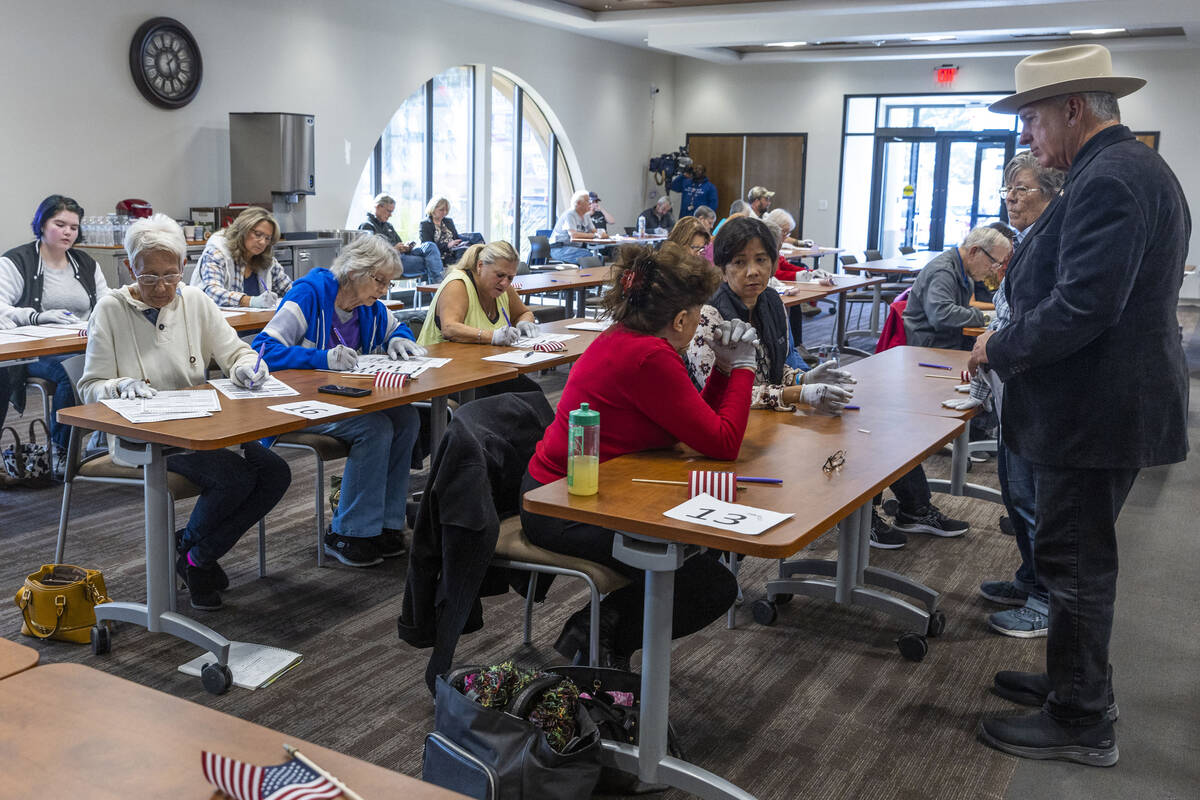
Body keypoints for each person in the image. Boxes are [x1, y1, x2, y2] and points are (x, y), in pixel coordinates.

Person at [971, 44, 1189, 766]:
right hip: (1098, 406)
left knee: (1073, 565)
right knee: (1074, 560)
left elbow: (1083, 306)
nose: (1027, 137)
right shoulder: (1119, 170)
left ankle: (1082, 719)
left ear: (1073, 109)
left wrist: (998, 347)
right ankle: (1074, 684)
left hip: (1094, 412)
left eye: (1032, 119)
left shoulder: (1112, 180)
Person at [520, 242, 750, 669]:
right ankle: (596, 634)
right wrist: (742, 368)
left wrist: (721, 370)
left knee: (702, 543)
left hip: (576, 491)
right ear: (680, 320)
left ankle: (601, 633)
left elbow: (699, 425)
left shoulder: (630, 338)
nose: (700, 324)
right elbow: (723, 443)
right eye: (698, 316)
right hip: (563, 509)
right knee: (709, 583)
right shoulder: (649, 357)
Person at [79, 215, 290, 611]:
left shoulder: (194, 300)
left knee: (275, 471)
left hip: (200, 428)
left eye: (170, 275)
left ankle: (193, 553)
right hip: (143, 436)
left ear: (183, 268)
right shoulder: (110, 309)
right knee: (234, 477)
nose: (161, 288)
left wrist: (245, 366)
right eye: (149, 278)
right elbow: (89, 388)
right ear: (130, 269)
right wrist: (117, 386)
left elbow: (235, 351)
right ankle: (197, 559)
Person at [254, 234, 426, 568]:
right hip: (297, 402)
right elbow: (263, 350)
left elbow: (398, 330)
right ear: (354, 271)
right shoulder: (309, 294)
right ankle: (348, 532)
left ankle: (387, 524)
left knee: (407, 420)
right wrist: (321, 358)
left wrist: (398, 341)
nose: (384, 290)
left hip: (341, 401)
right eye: (380, 281)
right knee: (374, 428)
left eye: (389, 283)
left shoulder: (369, 307)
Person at [950, 153, 1065, 639]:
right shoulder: (1027, 241)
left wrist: (992, 342)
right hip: (1010, 386)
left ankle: (1044, 600)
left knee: (1036, 500)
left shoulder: (1055, 241)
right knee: (1016, 493)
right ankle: (1029, 577)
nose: (1011, 198)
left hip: (1038, 390)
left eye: (1022, 188)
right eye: (1007, 189)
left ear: (1051, 191)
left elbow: (1039, 320)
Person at [686, 216, 853, 415]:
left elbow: (767, 369)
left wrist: (801, 379)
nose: (753, 271)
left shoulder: (772, 301)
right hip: (720, 424)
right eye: (739, 262)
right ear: (722, 270)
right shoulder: (706, 315)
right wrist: (796, 394)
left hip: (767, 420)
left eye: (761, 260)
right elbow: (724, 394)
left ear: (773, 264)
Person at [0, 194, 108, 462]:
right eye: (60, 224)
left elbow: (107, 303)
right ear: (41, 224)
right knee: (71, 371)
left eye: (73, 227)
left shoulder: (85, 262)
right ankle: (63, 451)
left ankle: (107, 440)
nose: (68, 232)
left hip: (83, 343)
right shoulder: (17, 261)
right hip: (38, 351)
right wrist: (38, 317)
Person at [902, 225, 1011, 350]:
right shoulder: (942, 272)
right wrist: (985, 317)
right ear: (974, 251)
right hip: (931, 348)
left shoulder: (964, 271)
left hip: (950, 341)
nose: (994, 270)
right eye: (993, 262)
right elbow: (941, 315)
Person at [192, 207, 291, 309]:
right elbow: (212, 292)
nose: (262, 242)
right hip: (219, 322)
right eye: (258, 234)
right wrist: (250, 301)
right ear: (243, 230)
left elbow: (288, 288)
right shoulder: (217, 252)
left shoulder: (267, 260)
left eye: (267, 238)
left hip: (254, 322)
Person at [359, 193, 444, 284]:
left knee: (430, 246)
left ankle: (438, 285)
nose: (390, 215)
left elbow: (399, 243)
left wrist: (405, 247)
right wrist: (393, 249)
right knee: (432, 262)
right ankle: (440, 287)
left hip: (402, 256)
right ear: (378, 207)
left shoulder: (388, 225)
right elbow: (371, 254)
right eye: (388, 211)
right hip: (390, 261)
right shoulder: (367, 226)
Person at [419, 197, 479, 265]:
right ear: (433, 209)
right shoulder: (425, 224)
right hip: (441, 253)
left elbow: (456, 237)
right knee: (463, 255)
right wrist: (447, 245)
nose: (444, 212)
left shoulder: (448, 221)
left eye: (446, 210)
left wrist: (459, 242)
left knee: (475, 240)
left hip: (455, 249)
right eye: (441, 210)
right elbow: (428, 247)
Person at [549, 190, 599, 264]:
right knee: (589, 257)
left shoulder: (586, 215)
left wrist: (601, 234)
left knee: (598, 256)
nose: (590, 203)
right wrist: (595, 235)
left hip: (575, 248)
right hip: (560, 249)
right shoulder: (570, 214)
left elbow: (594, 231)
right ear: (578, 203)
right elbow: (574, 235)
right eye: (587, 201)